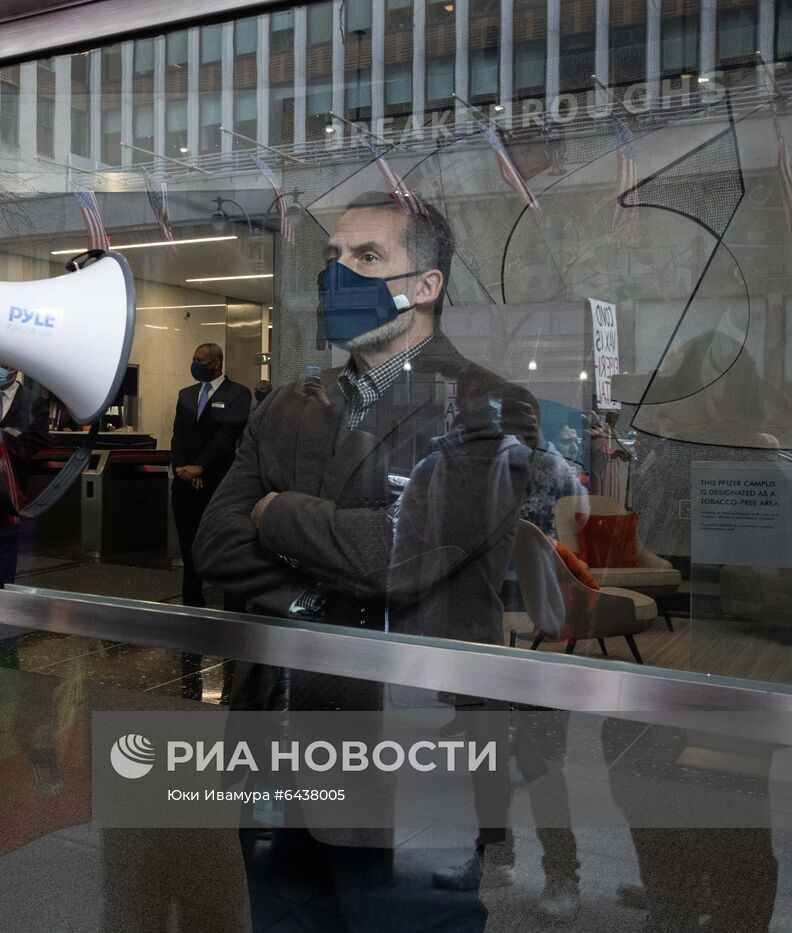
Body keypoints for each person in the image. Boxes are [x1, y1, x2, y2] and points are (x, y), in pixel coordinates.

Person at [195, 192, 535, 930]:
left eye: (367, 257)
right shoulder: (287, 403)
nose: (336, 275)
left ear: (427, 285)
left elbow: (398, 558)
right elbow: (217, 540)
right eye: (331, 259)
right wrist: (321, 590)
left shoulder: (487, 407)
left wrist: (277, 512)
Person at [169, 343, 251, 610]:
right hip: (185, 484)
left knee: (224, 547)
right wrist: (183, 468)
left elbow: (226, 436)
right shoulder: (186, 395)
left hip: (218, 484)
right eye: (193, 359)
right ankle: (192, 602)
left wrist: (201, 467)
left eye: (200, 361)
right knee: (188, 546)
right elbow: (178, 435)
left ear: (217, 363)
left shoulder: (238, 394)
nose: (195, 364)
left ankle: (232, 609)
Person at [0, 362, 50, 589]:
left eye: (4, 366)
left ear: (15, 370)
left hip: (13, 476)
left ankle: (3, 584)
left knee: (8, 532)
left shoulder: (33, 400)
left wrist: (5, 443)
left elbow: (39, 438)